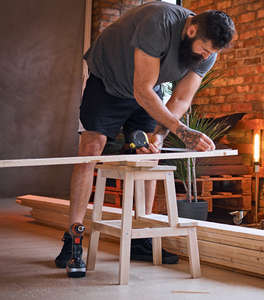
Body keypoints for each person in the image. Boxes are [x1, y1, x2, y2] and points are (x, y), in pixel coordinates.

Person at [54, 1, 235, 278]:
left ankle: (140, 238)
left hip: (148, 90)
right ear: (192, 28)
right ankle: (73, 240)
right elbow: (142, 90)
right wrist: (184, 133)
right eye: (203, 49)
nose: (205, 56)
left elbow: (182, 98)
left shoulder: (207, 53)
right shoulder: (158, 22)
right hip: (108, 84)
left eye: (210, 53)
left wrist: (160, 136)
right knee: (91, 149)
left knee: (149, 155)